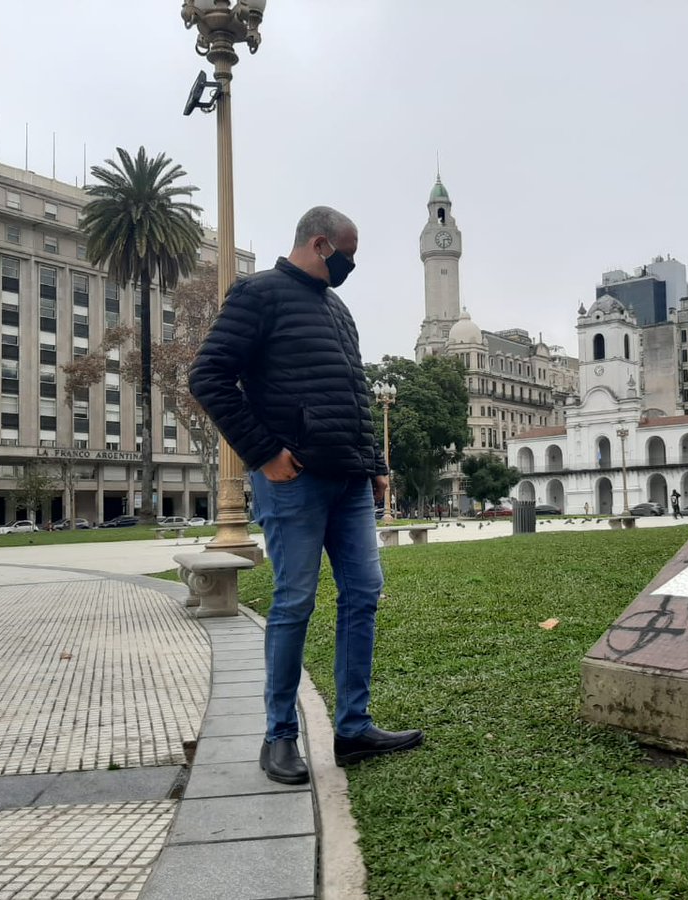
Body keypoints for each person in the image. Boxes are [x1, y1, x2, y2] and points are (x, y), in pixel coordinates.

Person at [189, 206, 423, 785]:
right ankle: (279, 737)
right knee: (295, 601)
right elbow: (209, 375)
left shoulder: (338, 310)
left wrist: (376, 465)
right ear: (320, 244)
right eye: (348, 253)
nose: (351, 264)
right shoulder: (258, 294)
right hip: (293, 480)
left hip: (348, 481)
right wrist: (263, 452)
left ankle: (353, 727)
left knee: (364, 594)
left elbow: (353, 393)